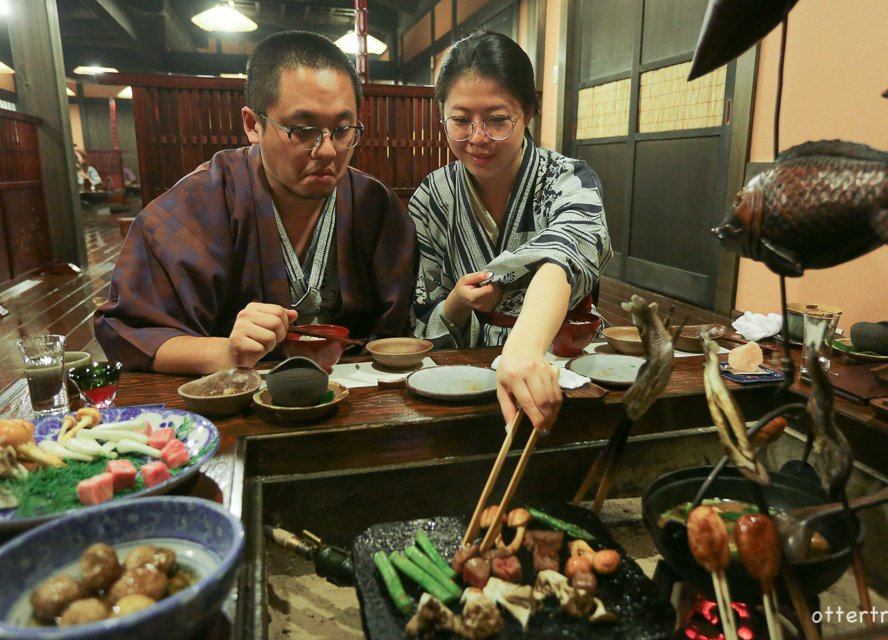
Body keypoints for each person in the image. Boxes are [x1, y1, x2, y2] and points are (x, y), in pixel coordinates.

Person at [95, 31, 417, 374]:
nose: (327, 150)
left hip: (355, 394)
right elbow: (131, 330)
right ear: (253, 125)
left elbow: (399, 327)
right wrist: (227, 353)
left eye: (342, 129)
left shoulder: (373, 203)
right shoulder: (201, 203)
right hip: (232, 397)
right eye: (303, 129)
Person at [409, 30, 611, 433]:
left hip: (557, 369)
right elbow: (421, 318)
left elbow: (569, 249)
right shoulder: (432, 196)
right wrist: (456, 302)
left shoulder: (567, 178)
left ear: (529, 112)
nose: (478, 138)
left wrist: (524, 347)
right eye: (461, 121)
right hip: (465, 378)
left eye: (498, 120)